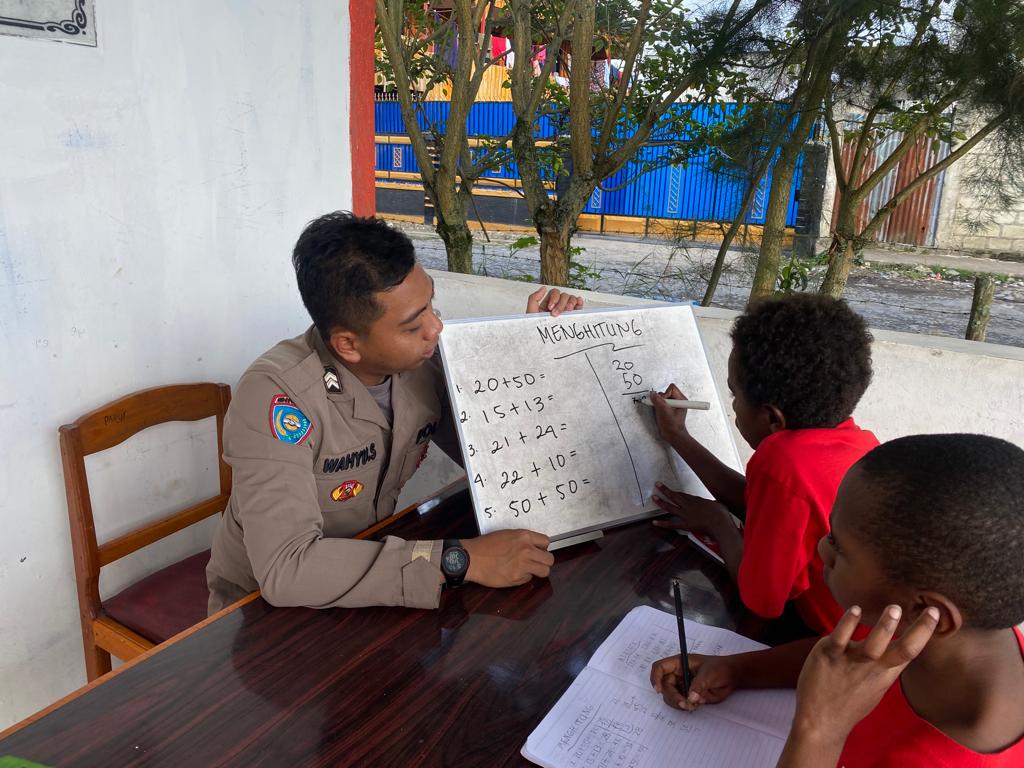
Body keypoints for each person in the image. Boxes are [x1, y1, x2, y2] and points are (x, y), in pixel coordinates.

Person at [206, 212, 583, 613]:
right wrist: (460, 559)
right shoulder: (277, 396)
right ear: (348, 345)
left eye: (431, 304)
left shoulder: (423, 363)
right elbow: (288, 569)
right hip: (260, 611)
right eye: (411, 325)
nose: (436, 327)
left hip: (376, 571)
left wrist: (537, 355)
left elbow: (494, 461)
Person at [651, 433, 1024, 767]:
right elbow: (856, 655)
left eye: (840, 548)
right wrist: (740, 669)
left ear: (928, 613)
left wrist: (818, 730)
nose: (820, 548)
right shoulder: (956, 636)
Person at [649, 294, 877, 635]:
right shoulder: (857, 443)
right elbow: (762, 503)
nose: (734, 406)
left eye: (734, 395)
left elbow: (762, 600)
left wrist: (718, 523)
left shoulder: (783, 461)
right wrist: (678, 436)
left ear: (772, 419)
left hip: (830, 647)